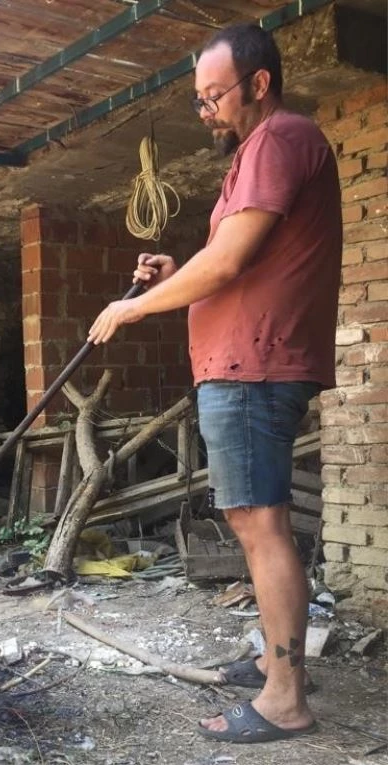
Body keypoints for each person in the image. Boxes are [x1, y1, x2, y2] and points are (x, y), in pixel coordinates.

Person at [87, 24, 342, 744]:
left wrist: (133, 308)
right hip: (244, 363)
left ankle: (285, 699)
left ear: (258, 83)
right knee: (253, 522)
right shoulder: (260, 152)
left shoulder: (279, 139)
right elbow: (231, 261)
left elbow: (227, 263)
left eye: (213, 96)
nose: (206, 112)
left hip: (255, 366)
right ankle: (273, 662)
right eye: (198, 100)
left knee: (259, 524)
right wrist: (176, 276)